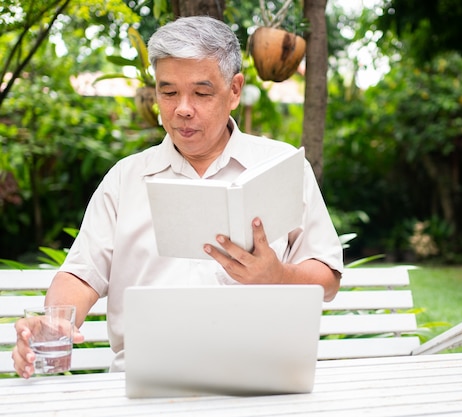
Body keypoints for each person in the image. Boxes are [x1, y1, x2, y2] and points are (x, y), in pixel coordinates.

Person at [12, 16, 343, 378]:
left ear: (234, 90)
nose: (183, 108)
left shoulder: (281, 167)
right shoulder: (127, 178)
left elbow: (327, 276)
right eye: (168, 92)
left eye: (201, 93)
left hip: (260, 374)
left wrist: (277, 275)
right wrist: (54, 320)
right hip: (146, 378)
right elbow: (80, 274)